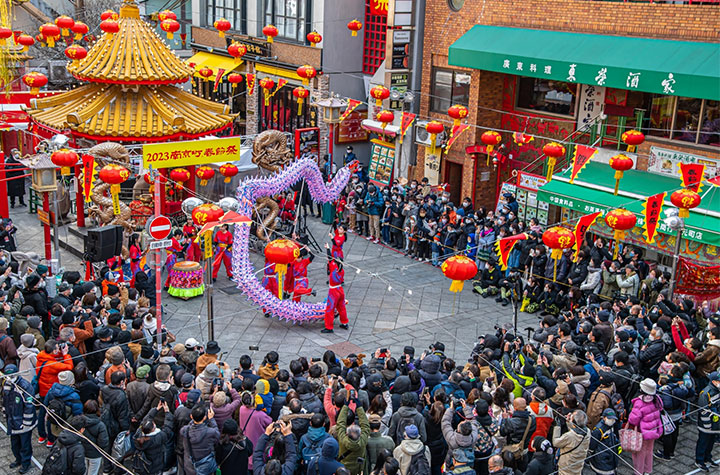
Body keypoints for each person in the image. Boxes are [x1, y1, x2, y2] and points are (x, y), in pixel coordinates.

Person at [1, 364, 37, 474]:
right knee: (14, 444)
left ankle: (26, 464)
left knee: (25, 446)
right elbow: (5, 399)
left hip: (23, 423)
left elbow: (29, 406)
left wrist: (26, 423)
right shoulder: (7, 384)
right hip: (12, 421)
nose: (8, 378)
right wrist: (4, 411)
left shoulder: (25, 387)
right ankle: (18, 459)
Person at [627, 378, 663, 475]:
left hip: (641, 432)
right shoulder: (657, 399)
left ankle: (638, 472)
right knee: (649, 450)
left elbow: (633, 419)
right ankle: (647, 470)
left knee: (639, 453)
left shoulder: (639, 403)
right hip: (653, 429)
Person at [180, 404, 221, 475]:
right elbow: (217, 434)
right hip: (205, 465)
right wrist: (211, 419)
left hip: (190, 466)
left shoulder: (184, 430)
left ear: (191, 416)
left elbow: (190, 426)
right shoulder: (210, 432)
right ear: (204, 418)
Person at [695, 371, 720, 471]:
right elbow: (703, 412)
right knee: (703, 443)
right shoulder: (705, 394)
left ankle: (708, 458)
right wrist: (708, 425)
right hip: (706, 426)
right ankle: (699, 460)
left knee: (710, 443)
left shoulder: (718, 391)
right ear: (713, 382)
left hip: (716, 425)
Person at [552, 410, 590, 475]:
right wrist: (569, 422)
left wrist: (557, 426)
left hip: (566, 467)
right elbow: (575, 430)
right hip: (578, 465)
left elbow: (555, 442)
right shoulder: (587, 431)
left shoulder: (569, 436)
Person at [336, 403, 370, 475]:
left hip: (343, 469)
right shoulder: (363, 441)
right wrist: (359, 407)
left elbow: (340, 424)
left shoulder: (343, 440)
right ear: (360, 434)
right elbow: (366, 426)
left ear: (347, 434)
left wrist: (345, 406)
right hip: (358, 469)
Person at [321, 245, 348, 334]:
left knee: (330, 309)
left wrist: (327, 248)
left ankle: (329, 327)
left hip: (333, 291)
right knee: (342, 307)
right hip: (340, 289)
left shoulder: (334, 269)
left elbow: (329, 258)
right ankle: (344, 323)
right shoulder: (342, 271)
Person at [588, 408, 620, 475]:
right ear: (604, 418)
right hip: (602, 459)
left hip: (611, 456)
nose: (612, 421)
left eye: (613, 419)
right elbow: (592, 445)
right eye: (610, 419)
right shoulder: (598, 430)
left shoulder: (611, 426)